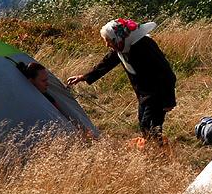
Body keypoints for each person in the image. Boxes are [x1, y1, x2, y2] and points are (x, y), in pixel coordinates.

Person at [66, 18, 176, 146]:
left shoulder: (143, 46)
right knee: (144, 123)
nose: (107, 45)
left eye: (109, 41)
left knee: (149, 125)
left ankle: (157, 152)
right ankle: (153, 150)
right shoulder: (123, 47)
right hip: (143, 93)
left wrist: (168, 101)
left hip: (157, 93)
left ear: (118, 38)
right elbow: (106, 63)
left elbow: (167, 73)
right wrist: (83, 77)